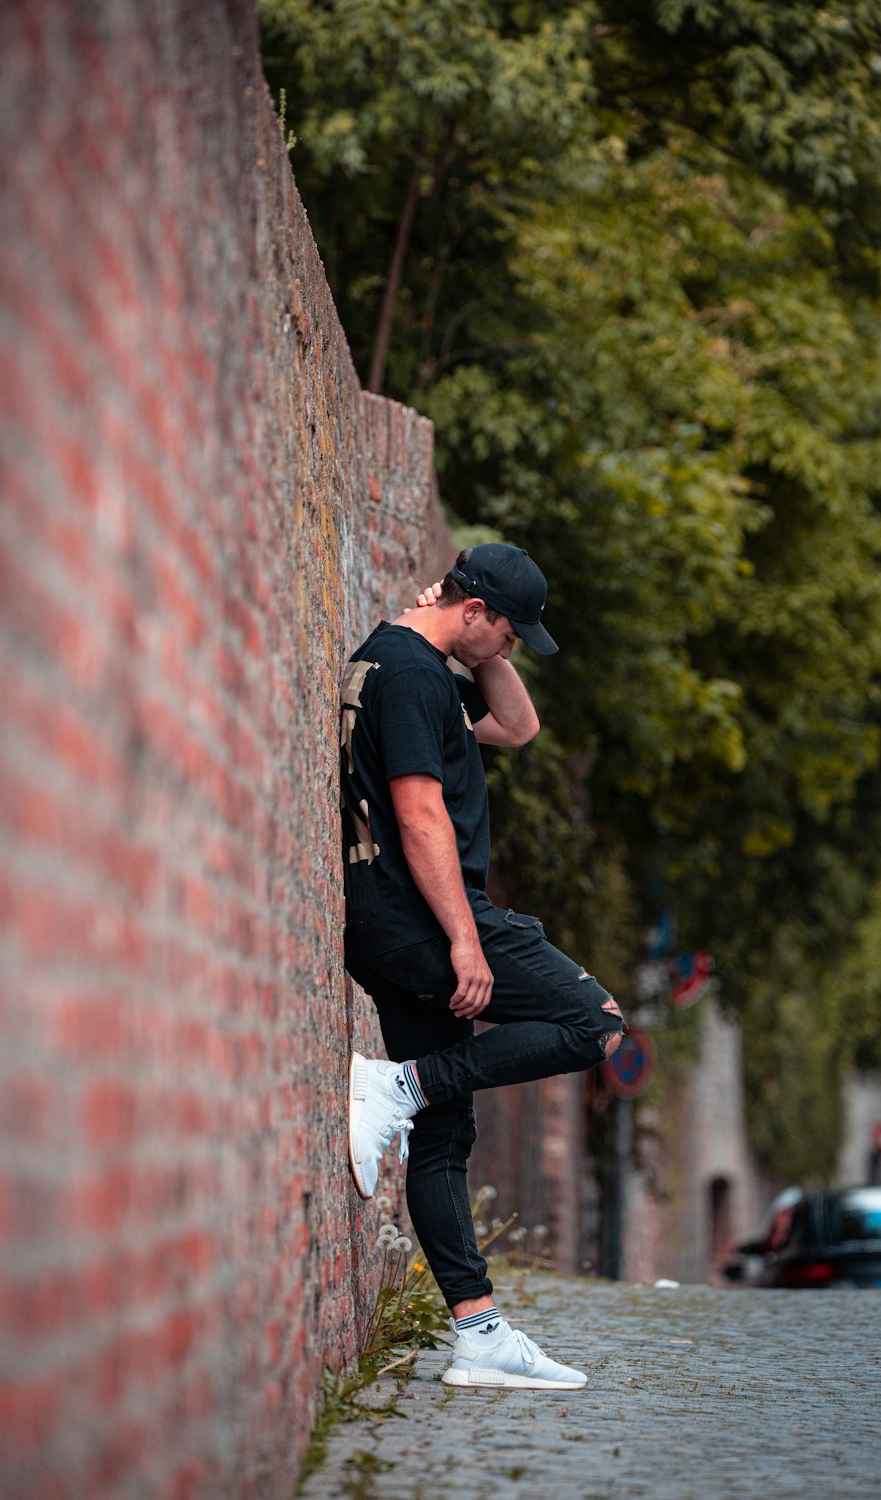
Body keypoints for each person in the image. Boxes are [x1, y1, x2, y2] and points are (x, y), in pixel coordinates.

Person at [340, 543, 626, 1391]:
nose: (508, 652)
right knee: (595, 1024)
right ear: (471, 611)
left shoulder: (399, 657)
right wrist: (466, 938)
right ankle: (400, 1085)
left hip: (388, 921)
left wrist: (478, 642)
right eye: (505, 633)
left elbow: (517, 726)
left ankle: (478, 1332)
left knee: (445, 1138)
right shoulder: (416, 674)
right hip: (423, 917)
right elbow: (420, 810)